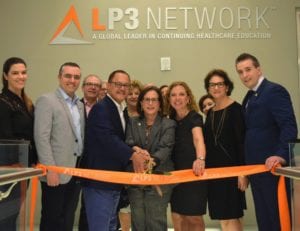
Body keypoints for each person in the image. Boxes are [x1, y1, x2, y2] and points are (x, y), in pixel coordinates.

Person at [235, 53, 298, 230]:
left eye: (248, 70)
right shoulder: (249, 97)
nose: (244, 75)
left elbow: (289, 126)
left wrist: (280, 156)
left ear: (258, 69)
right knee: (264, 220)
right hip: (257, 170)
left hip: (273, 169)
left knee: (278, 219)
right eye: (240, 72)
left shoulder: (274, 91)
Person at [81, 70, 149, 231]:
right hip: (100, 182)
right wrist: (132, 155)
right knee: (101, 226)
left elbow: (118, 139)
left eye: (126, 85)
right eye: (118, 84)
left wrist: (134, 149)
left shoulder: (120, 110)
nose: (123, 88)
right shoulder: (101, 108)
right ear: (109, 86)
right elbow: (107, 138)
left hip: (113, 181)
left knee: (111, 225)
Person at [34, 62, 84, 231]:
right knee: (51, 219)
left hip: (75, 171)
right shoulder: (46, 101)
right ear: (59, 77)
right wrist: (50, 169)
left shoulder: (80, 105)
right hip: (55, 172)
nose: (72, 80)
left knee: (67, 218)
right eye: (68, 76)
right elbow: (41, 137)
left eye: (76, 77)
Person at [126, 86, 176, 231]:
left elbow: (165, 149)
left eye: (154, 100)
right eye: (147, 99)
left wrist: (147, 162)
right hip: (136, 182)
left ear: (160, 103)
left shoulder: (169, 124)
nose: (150, 103)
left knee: (156, 223)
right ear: (141, 103)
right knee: (138, 223)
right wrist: (136, 149)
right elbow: (129, 142)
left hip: (159, 181)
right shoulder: (132, 122)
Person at [203, 69, 248, 231]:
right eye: (212, 85)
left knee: (231, 216)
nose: (216, 88)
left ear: (227, 87)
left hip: (232, 172)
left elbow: (242, 143)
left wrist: (243, 172)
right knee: (223, 218)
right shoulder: (210, 113)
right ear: (208, 89)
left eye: (220, 84)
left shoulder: (236, 110)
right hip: (214, 174)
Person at [0, 57, 37, 230]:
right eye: (15, 73)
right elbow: (5, 138)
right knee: (5, 216)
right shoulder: (2, 102)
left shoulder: (26, 103)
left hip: (23, 168)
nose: (21, 76)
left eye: (23, 72)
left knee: (13, 214)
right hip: (8, 169)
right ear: (5, 76)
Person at [167, 81, 207, 231]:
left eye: (182, 94)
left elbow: (198, 139)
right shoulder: (169, 120)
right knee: (178, 216)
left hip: (194, 173)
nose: (177, 98)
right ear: (169, 99)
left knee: (194, 217)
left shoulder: (194, 117)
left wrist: (200, 159)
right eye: (173, 95)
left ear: (188, 98)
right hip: (174, 176)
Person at [118, 79, 143, 231]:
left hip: (143, 165)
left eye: (137, 93)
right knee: (125, 205)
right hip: (124, 164)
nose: (133, 96)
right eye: (130, 93)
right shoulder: (120, 114)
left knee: (140, 205)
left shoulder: (147, 114)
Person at [79, 74, 102, 231]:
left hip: (98, 163)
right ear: (83, 87)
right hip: (77, 161)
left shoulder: (104, 108)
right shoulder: (75, 105)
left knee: (92, 204)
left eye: (96, 85)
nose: (93, 87)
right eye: (89, 84)